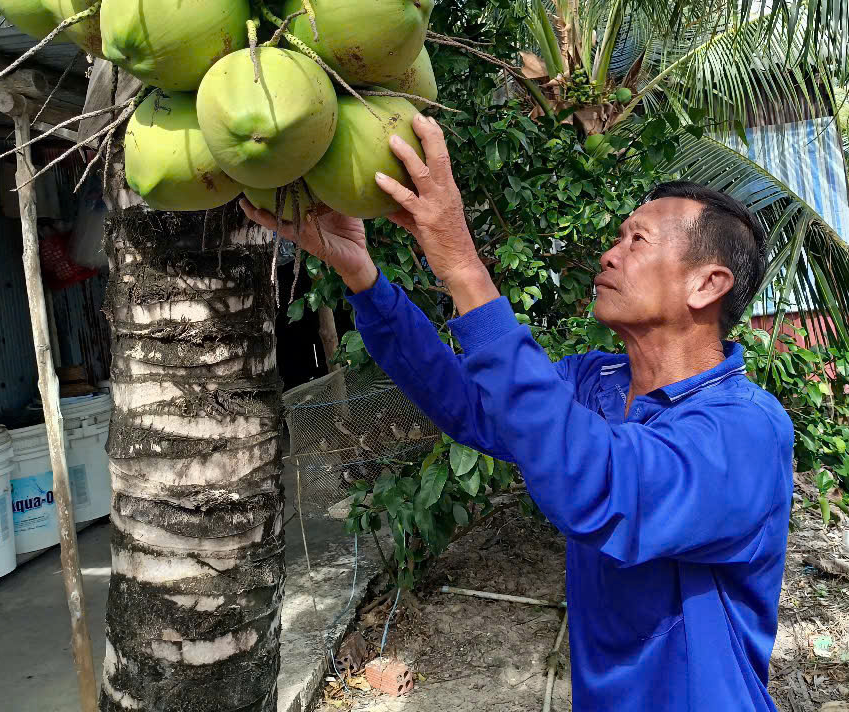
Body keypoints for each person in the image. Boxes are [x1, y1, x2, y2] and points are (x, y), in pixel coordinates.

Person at [242, 114, 795, 712]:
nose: (609, 256)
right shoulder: (597, 383)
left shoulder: (745, 430)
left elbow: (601, 486)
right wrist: (362, 276)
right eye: (618, 237)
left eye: (637, 241)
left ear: (706, 285)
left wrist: (465, 271)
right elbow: (472, 406)